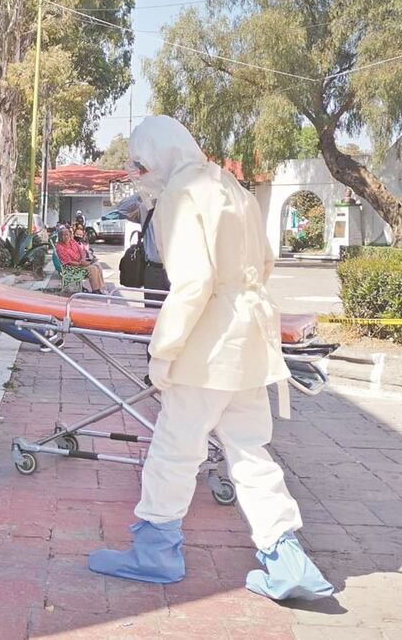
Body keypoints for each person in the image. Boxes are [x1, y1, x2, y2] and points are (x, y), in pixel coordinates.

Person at [87, 115, 333, 601]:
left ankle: (155, 552)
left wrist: (164, 350)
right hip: (250, 342)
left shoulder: (180, 195)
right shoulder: (231, 186)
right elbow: (265, 262)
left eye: (140, 165)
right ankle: (287, 559)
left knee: (174, 448)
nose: (139, 176)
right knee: (250, 451)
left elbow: (193, 283)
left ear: (158, 157)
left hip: (207, 345)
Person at [115, 192, 170, 306]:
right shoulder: (148, 209)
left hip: (178, 270)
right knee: (152, 310)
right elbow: (123, 208)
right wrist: (144, 191)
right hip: (154, 269)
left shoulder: (181, 207)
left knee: (179, 311)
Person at [55, 226, 105, 293]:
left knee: (97, 265)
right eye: (63, 235)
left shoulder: (72, 241)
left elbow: (81, 251)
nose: (66, 237)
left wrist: (83, 259)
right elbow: (68, 262)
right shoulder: (60, 247)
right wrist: (81, 264)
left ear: (70, 235)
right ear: (59, 237)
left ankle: (99, 288)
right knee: (93, 269)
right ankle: (96, 290)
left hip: (80, 263)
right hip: (71, 268)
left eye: (67, 235)